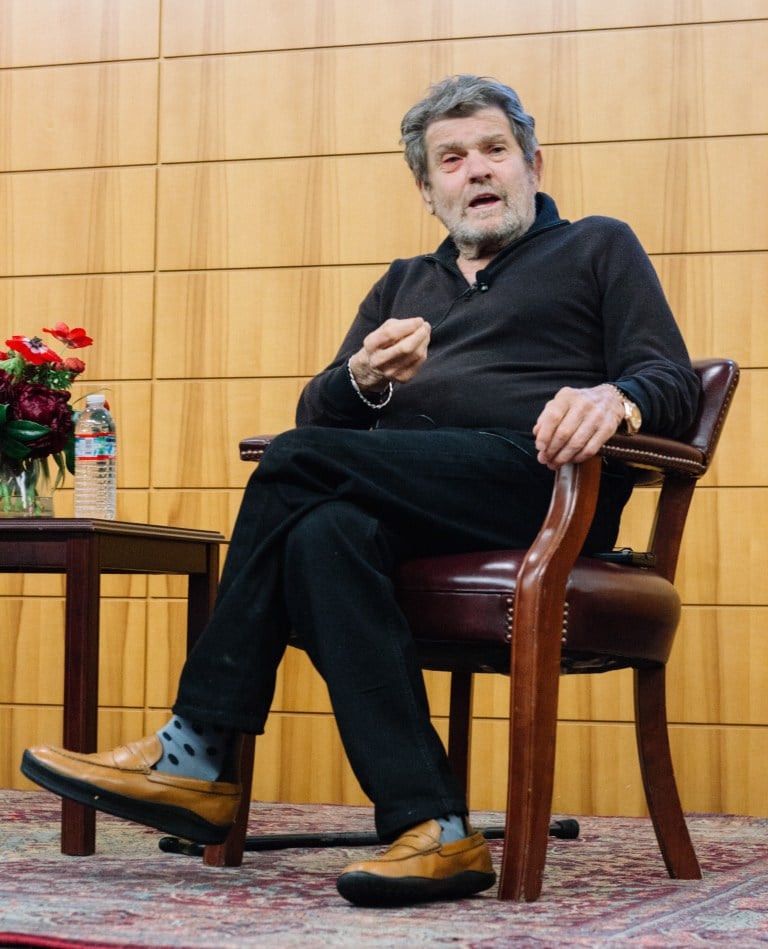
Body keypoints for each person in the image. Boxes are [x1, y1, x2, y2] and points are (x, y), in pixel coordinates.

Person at [21, 75, 699, 907]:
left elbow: (670, 377)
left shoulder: (597, 246)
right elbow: (322, 415)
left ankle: (199, 745)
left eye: (494, 150)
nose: (476, 171)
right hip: (416, 497)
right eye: (452, 160)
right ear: (427, 189)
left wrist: (611, 397)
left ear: (532, 163)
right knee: (320, 533)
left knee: (301, 463)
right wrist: (362, 375)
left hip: (540, 487)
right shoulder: (404, 282)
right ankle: (435, 830)